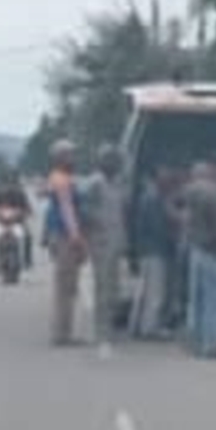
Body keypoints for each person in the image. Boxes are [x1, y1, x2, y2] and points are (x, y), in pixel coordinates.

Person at [182, 161, 216, 358]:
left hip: (195, 250)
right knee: (215, 300)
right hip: (213, 252)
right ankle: (212, 344)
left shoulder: (188, 193)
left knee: (196, 300)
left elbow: (186, 222)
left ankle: (196, 342)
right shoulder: (215, 193)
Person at [44, 139, 87, 347]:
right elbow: (67, 209)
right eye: (70, 155)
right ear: (60, 158)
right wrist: (77, 238)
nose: (74, 159)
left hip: (60, 234)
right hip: (64, 236)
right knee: (66, 285)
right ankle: (62, 334)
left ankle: (63, 331)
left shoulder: (60, 178)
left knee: (67, 286)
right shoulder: (62, 180)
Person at [85, 144, 127, 351]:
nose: (114, 164)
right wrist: (97, 226)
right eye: (110, 160)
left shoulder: (117, 184)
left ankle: (110, 327)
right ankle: (101, 331)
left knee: (113, 288)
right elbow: (86, 211)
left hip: (115, 239)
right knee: (102, 287)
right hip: (101, 242)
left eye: (115, 160)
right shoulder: (95, 183)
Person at [127, 162, 173, 338]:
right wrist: (171, 237)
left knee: (143, 290)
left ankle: (137, 326)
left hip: (146, 250)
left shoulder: (148, 196)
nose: (168, 181)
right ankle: (149, 327)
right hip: (155, 250)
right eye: (165, 178)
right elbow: (157, 227)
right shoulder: (153, 198)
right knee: (155, 292)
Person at [0, 171, 33, 270]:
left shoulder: (20, 194)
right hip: (1, 224)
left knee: (27, 236)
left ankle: (26, 260)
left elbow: (28, 208)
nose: (9, 186)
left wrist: (24, 213)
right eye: (7, 182)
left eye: (12, 182)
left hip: (18, 223)